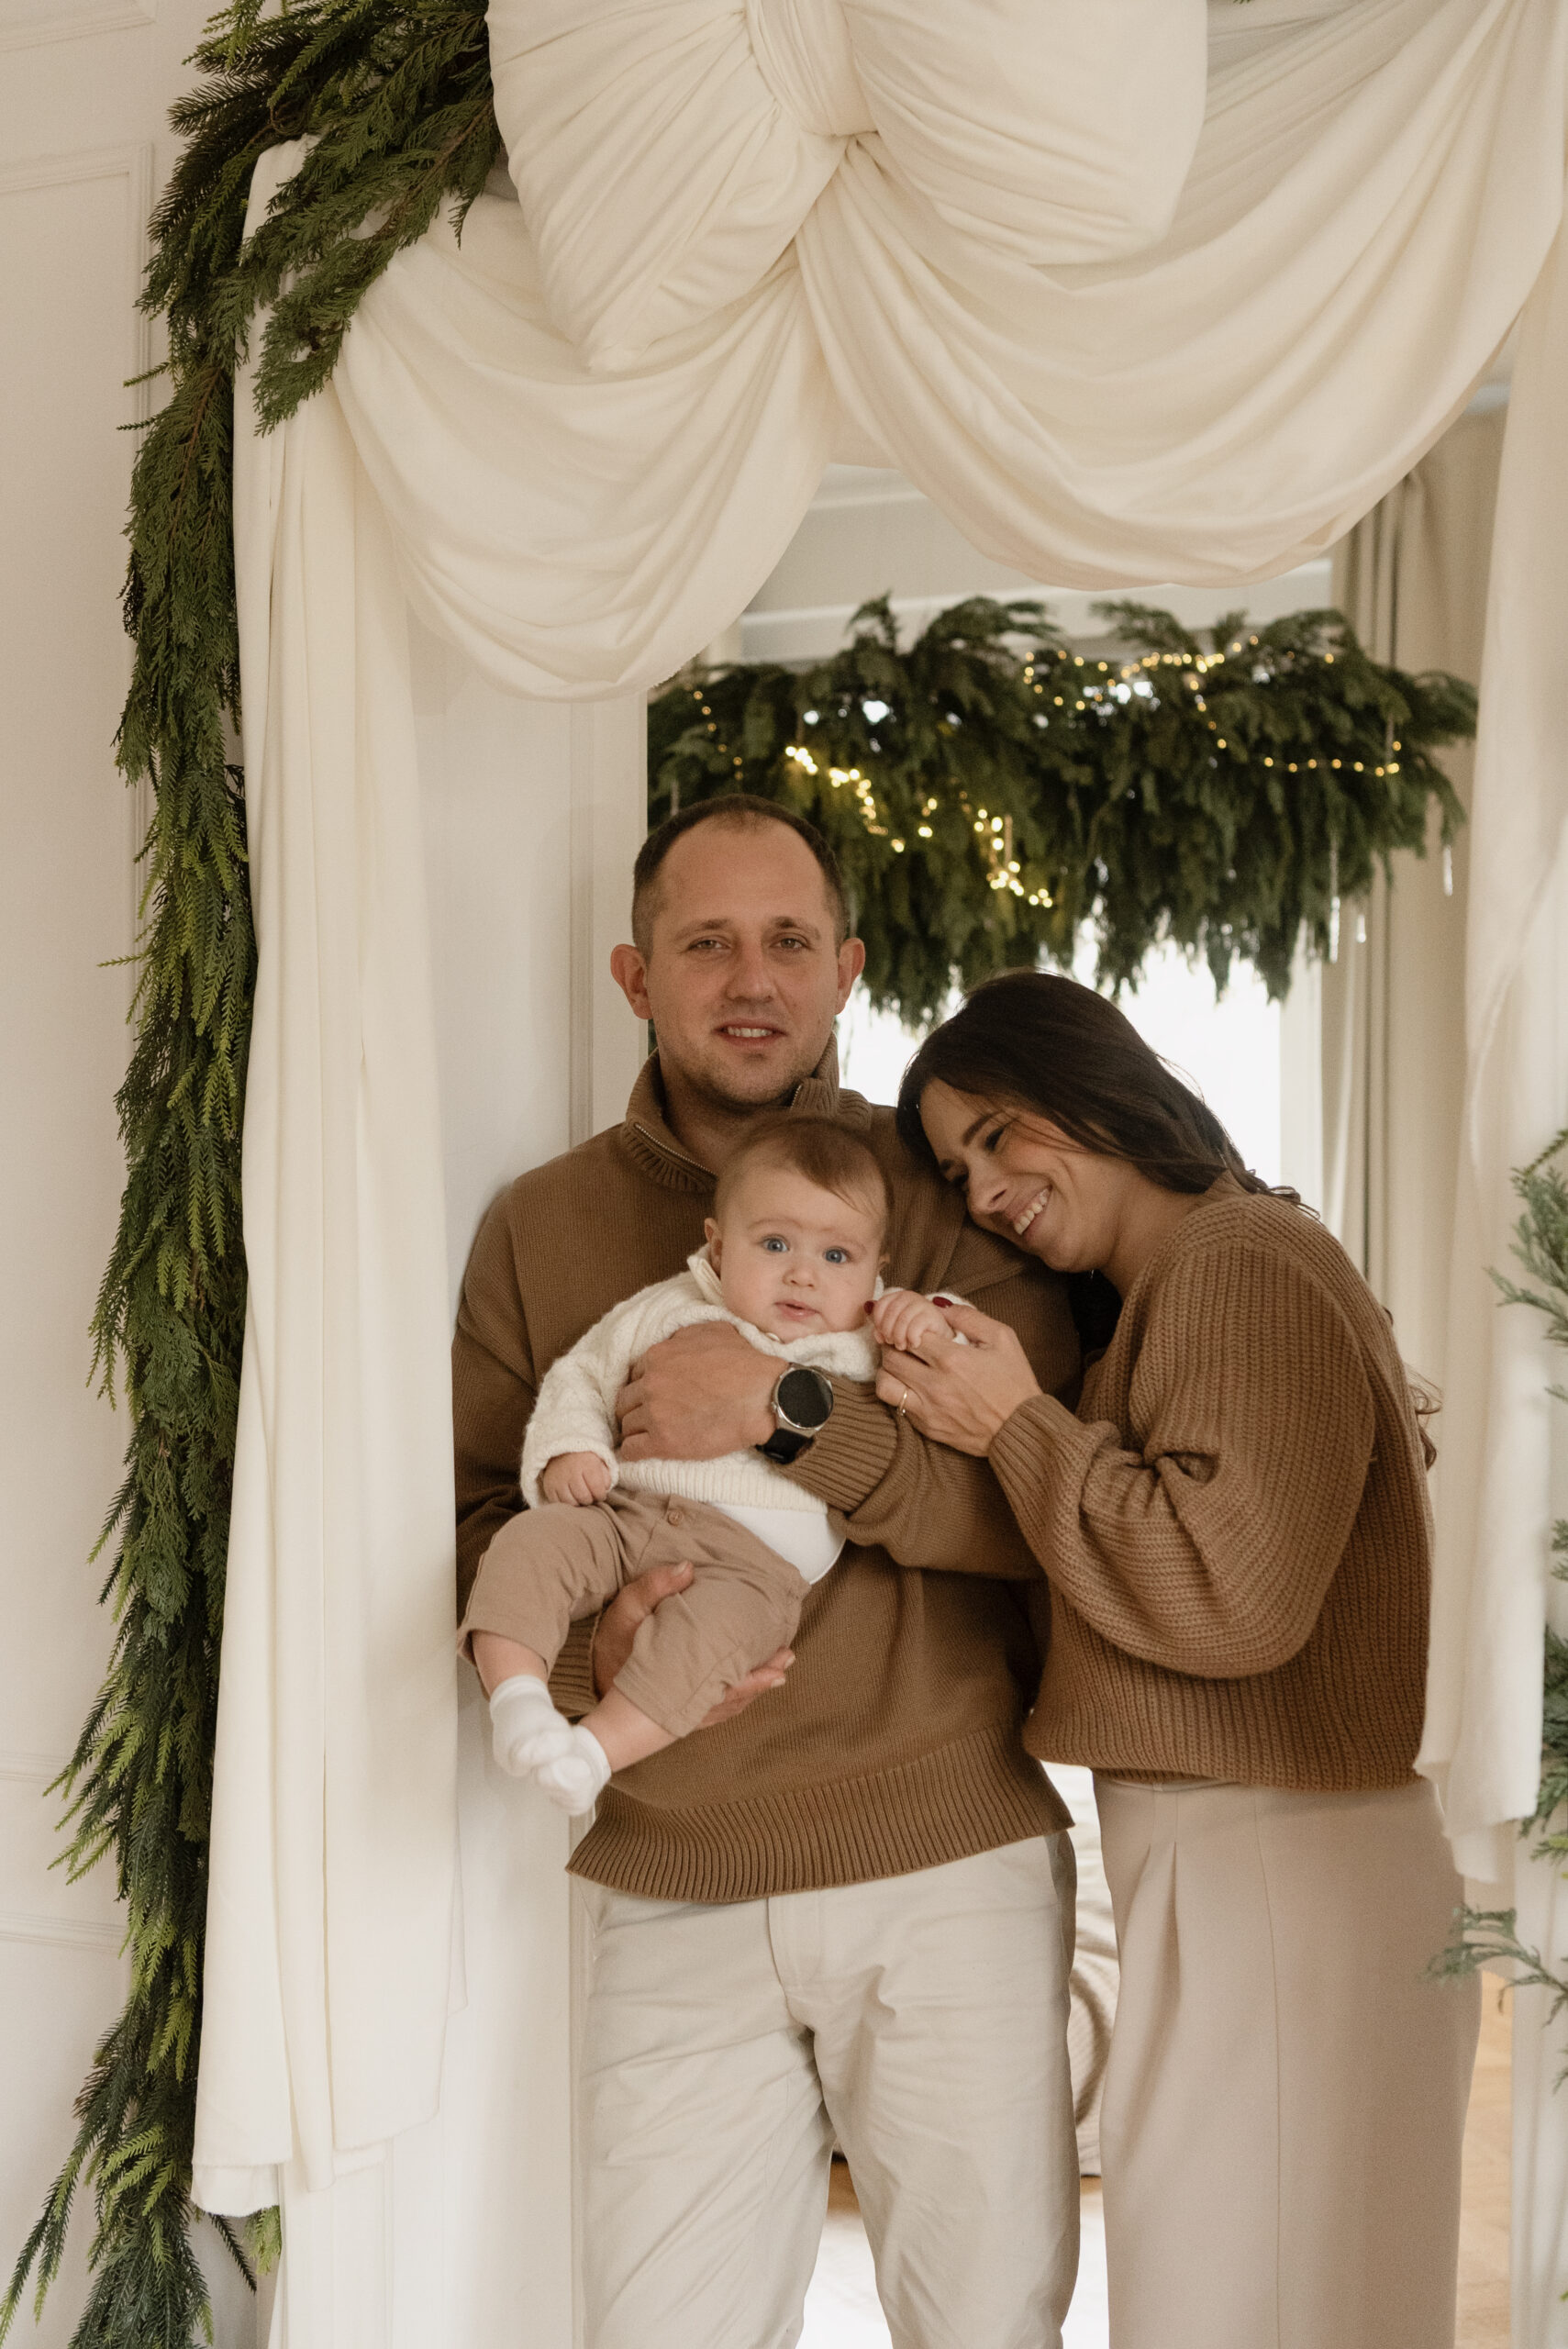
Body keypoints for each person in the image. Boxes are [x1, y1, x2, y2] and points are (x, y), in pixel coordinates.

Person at [453, 799, 1083, 2349]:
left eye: (789, 940)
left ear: (845, 969)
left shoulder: (949, 1191)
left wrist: (787, 1412)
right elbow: (480, 1514)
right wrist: (603, 1651)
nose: (752, 979)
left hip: (939, 1855)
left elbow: (1040, 1505)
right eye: (706, 943)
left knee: (986, 2327)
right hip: (671, 1875)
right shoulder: (542, 1224)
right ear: (634, 975)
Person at [872, 967, 1481, 2349]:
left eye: (996, 1136)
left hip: (1277, 1862)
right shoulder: (1186, 1278)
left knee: (1244, 2302)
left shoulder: (1234, 1258)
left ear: (1090, 1088)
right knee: (1287, 2300)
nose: (985, 1194)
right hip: (1254, 1856)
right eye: (958, 1172)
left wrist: (1011, 1423)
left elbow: (1229, 1597)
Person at [462, 1116, 930, 1812]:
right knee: (529, 1544)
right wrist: (570, 1447)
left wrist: (927, 1319)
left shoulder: (867, 1338)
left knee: (707, 1643)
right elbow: (583, 1376)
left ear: (875, 1271)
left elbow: (950, 1368)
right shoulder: (665, 1310)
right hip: (625, 1517)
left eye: (837, 1256)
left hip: (751, 1567)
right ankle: (518, 1700)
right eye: (774, 1244)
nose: (803, 1274)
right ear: (717, 1246)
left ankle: (594, 1754)